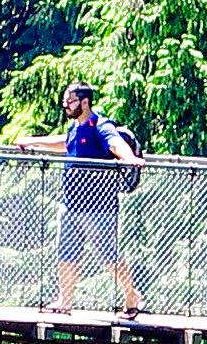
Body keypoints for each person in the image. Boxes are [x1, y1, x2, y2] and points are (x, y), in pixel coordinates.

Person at [23, 84, 145, 314]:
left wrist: (130, 158)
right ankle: (64, 301)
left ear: (85, 102)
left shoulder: (100, 125)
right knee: (66, 253)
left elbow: (115, 143)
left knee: (108, 255)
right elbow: (64, 143)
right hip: (71, 204)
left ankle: (132, 295)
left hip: (98, 206)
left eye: (69, 101)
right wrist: (32, 142)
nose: (65, 105)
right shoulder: (75, 128)